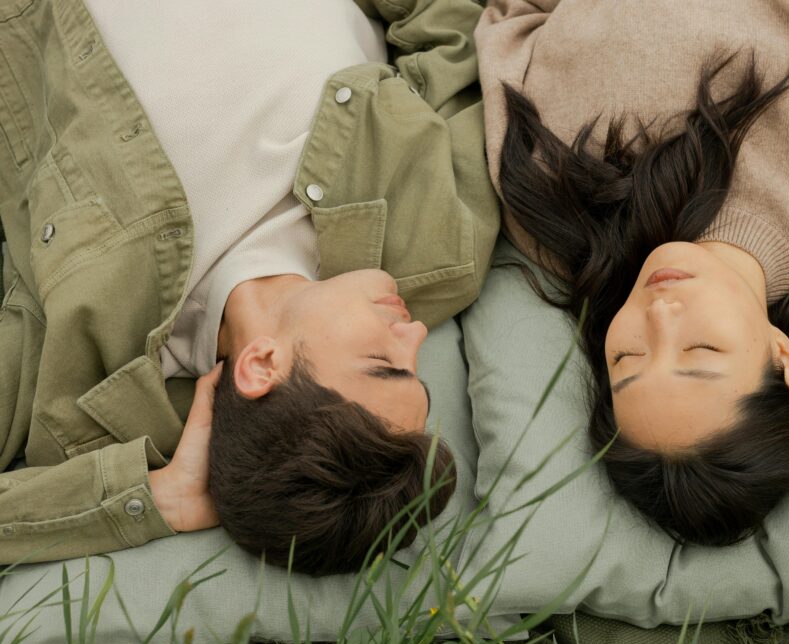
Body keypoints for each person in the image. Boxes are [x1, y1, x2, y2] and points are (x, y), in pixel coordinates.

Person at [0, 0, 498, 574]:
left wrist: (163, 497)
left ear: (261, 365)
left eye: (384, 364)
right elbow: (453, 37)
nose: (412, 331)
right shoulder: (443, 250)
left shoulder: (84, 355)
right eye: (417, 370)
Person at [475, 0, 789, 545]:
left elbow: (513, 21)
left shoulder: (549, 208)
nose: (659, 316)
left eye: (627, 357)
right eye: (701, 351)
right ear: (782, 357)